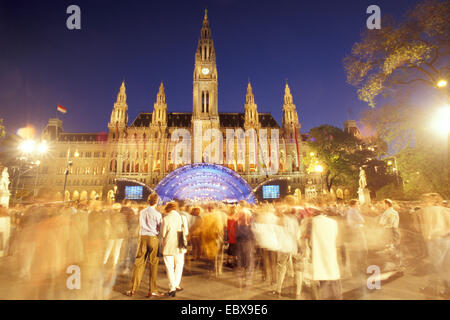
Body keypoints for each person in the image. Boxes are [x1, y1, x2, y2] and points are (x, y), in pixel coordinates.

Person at [126, 193, 164, 298]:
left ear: (148, 201)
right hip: (153, 238)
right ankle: (152, 290)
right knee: (153, 264)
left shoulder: (142, 212)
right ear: (156, 202)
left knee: (138, 263)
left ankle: (132, 289)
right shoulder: (158, 214)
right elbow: (160, 228)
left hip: (142, 238)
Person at [160, 202, 189, 297]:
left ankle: (172, 288)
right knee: (180, 264)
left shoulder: (165, 219)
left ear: (167, 209)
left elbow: (163, 234)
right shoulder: (182, 218)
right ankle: (176, 284)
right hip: (180, 245)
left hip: (169, 244)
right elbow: (186, 232)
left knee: (169, 266)